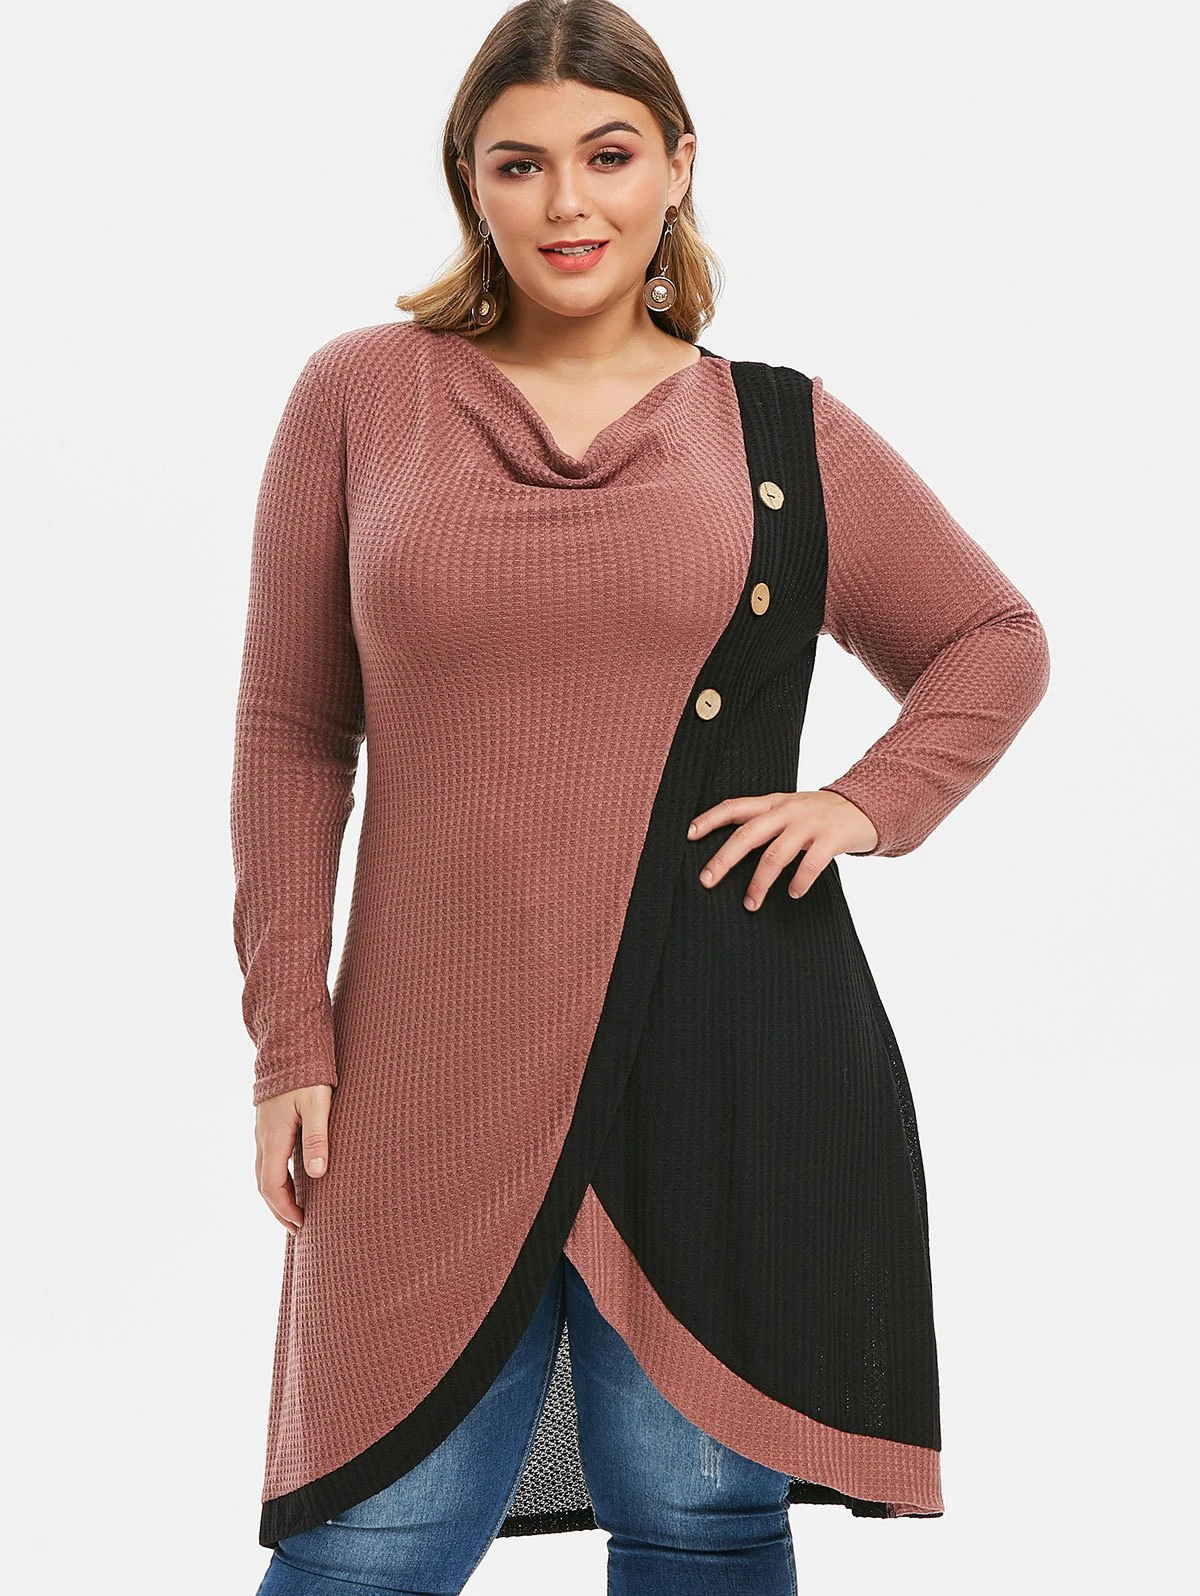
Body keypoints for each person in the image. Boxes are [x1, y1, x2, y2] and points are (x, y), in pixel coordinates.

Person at [230, 3, 1052, 1592]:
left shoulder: (775, 428)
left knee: (697, 1515)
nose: (567, 203)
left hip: (725, 1038)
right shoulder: (362, 396)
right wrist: (289, 1041)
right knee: (371, 1534)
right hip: (430, 1052)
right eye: (519, 164)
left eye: (608, 156)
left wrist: (864, 803)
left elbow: (990, 638)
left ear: (678, 165)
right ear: (468, 180)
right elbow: (290, 730)